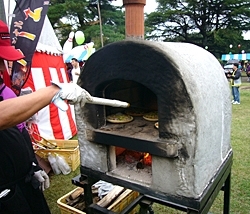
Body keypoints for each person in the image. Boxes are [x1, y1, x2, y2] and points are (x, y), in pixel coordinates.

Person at [0, 20, 92, 213]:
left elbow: (18, 131)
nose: (3, 67)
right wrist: (53, 91)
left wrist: (32, 165)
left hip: (24, 181)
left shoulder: (3, 86)